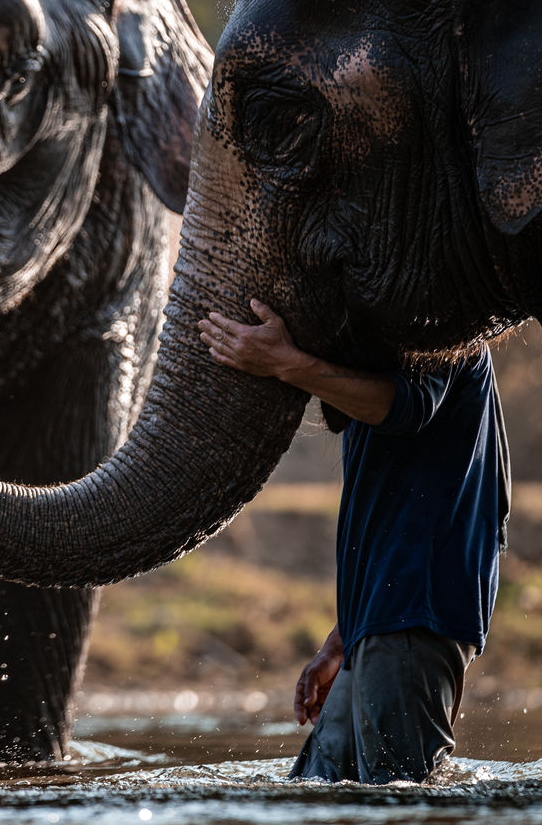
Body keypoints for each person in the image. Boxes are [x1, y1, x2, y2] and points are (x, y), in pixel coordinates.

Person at [198, 298, 510, 785]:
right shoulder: (389, 351)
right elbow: (396, 502)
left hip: (413, 613)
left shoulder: (443, 319)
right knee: (321, 786)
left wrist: (289, 364)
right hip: (385, 620)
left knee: (399, 798)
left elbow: (409, 405)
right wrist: (344, 637)